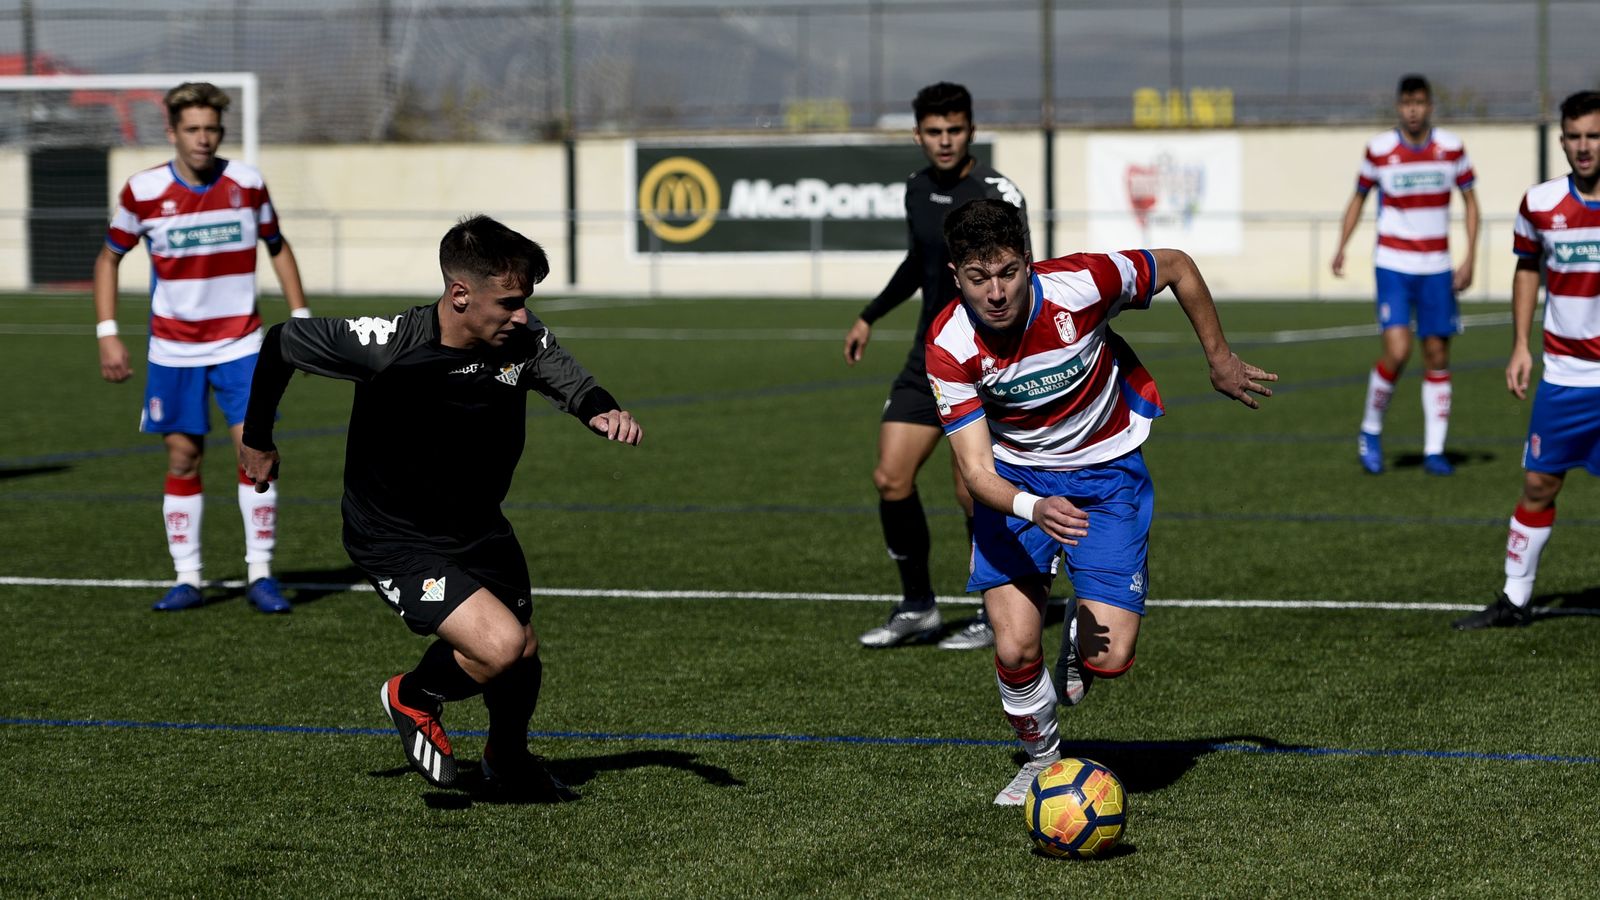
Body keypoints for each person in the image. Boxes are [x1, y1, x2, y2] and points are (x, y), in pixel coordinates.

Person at [239, 215, 641, 797]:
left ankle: (507, 761)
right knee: (499, 646)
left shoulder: (522, 338)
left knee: (523, 650)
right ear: (459, 294)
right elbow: (281, 342)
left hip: (478, 526)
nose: (522, 315)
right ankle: (412, 696)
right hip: (394, 535)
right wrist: (257, 439)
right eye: (508, 303)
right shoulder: (388, 345)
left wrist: (602, 410)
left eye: (525, 301)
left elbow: (572, 380)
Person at [924, 199, 1275, 804]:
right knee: (1014, 645)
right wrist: (1033, 507)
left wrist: (1219, 358)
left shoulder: (1083, 284)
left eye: (1008, 272)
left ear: (1028, 260)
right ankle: (1042, 761)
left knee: (1110, 658)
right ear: (956, 276)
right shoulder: (949, 343)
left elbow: (1177, 266)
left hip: (1107, 474)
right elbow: (976, 471)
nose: (996, 293)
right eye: (979, 279)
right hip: (1016, 485)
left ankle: (1080, 638)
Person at [94, 81, 310, 613]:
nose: (203, 139)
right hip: (173, 349)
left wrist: (301, 318)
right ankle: (188, 577)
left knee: (254, 453)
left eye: (211, 128)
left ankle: (261, 574)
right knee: (183, 456)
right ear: (172, 131)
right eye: (192, 129)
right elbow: (108, 258)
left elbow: (277, 246)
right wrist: (107, 333)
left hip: (241, 343)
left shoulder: (247, 183)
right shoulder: (142, 191)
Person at [844, 82, 1029, 651]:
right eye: (933, 131)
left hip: (984, 361)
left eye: (954, 129)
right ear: (918, 134)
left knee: (973, 490)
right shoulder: (917, 188)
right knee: (890, 477)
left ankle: (993, 610)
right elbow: (917, 262)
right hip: (927, 355)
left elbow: (1019, 276)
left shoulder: (998, 193)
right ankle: (918, 607)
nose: (944, 140)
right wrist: (870, 315)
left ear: (971, 130)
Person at [1453, 91, 1600, 630]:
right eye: (1575, 136)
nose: (1584, 146)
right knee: (1539, 485)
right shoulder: (1539, 203)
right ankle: (1515, 601)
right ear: (1561, 141)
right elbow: (1528, 269)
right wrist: (1520, 344)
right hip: (1564, 376)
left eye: (1594, 135)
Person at [1331, 74, 1480, 476]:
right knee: (1398, 351)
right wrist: (1342, 245)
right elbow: (1358, 199)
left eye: (1420, 103)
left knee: (1437, 354)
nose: (1413, 110)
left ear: (1430, 106)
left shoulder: (1451, 148)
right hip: (1394, 264)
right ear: (1399, 106)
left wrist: (1469, 258)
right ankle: (1370, 430)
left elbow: (1471, 202)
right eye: (1407, 103)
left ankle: (1434, 450)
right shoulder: (1379, 150)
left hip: (1437, 267)